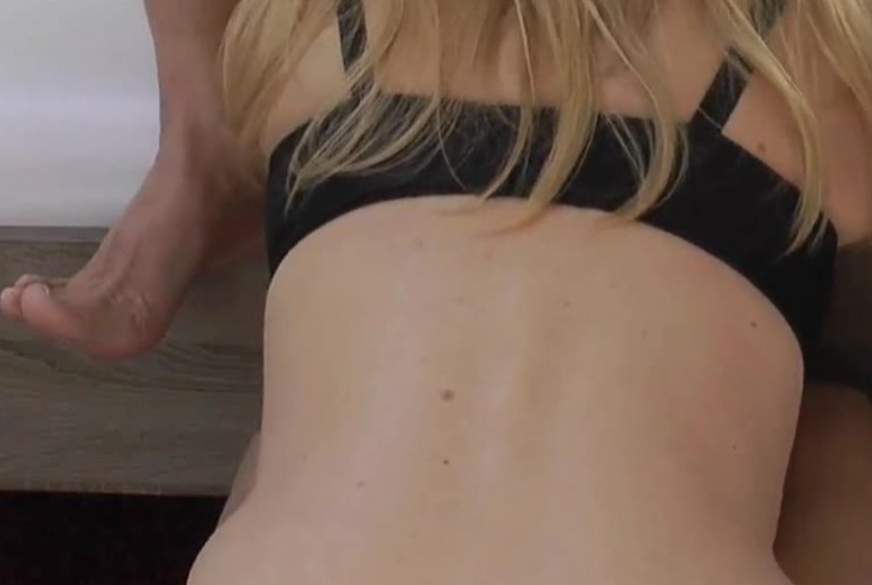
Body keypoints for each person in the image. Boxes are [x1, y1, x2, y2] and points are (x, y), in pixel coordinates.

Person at [1, 1, 870, 583]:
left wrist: (198, 123)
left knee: (305, 453)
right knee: (832, 433)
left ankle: (199, 162)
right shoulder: (819, 71)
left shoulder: (306, 43)